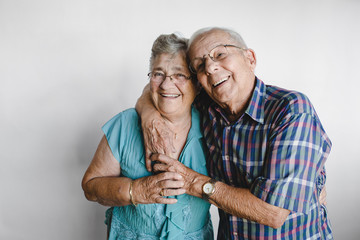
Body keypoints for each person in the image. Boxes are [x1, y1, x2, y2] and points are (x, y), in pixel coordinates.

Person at [136, 27, 333, 239]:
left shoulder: (292, 110)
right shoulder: (207, 106)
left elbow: (273, 213)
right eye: (200, 65)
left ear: (250, 58)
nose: (210, 68)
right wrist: (150, 118)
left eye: (220, 54)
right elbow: (162, 88)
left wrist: (192, 181)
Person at [82, 33, 214, 239]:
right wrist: (136, 190)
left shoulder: (212, 126)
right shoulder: (124, 124)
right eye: (158, 74)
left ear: (196, 84)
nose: (165, 85)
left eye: (179, 75)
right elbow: (90, 187)